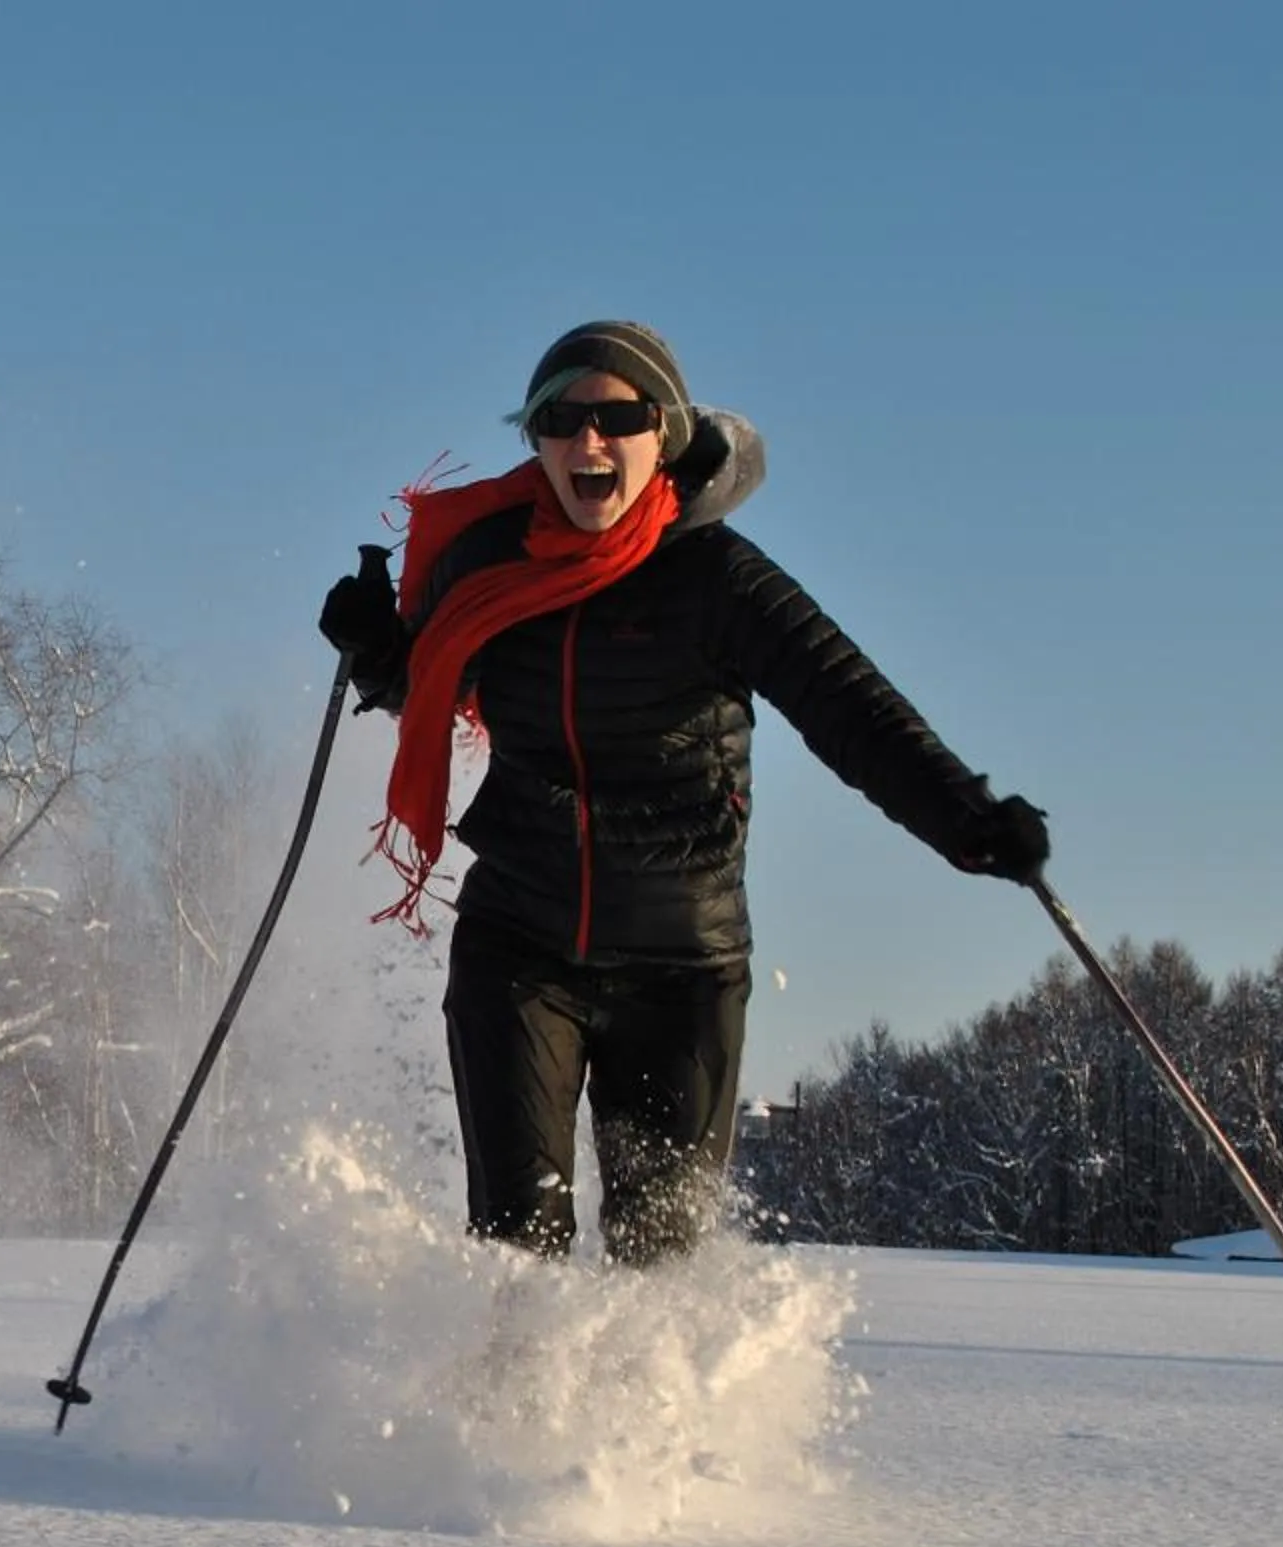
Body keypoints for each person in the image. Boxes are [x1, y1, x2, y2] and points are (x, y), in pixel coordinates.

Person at [317, 319, 1048, 1265]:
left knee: (656, 1260)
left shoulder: (719, 580)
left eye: (618, 416)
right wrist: (380, 653)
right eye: (561, 418)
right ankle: (503, 1415)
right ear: (534, 439)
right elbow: (432, 685)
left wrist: (968, 818)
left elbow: (851, 709)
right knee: (515, 1243)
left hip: (682, 963)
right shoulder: (485, 568)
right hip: (520, 944)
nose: (589, 440)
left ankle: (646, 1419)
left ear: (662, 433)